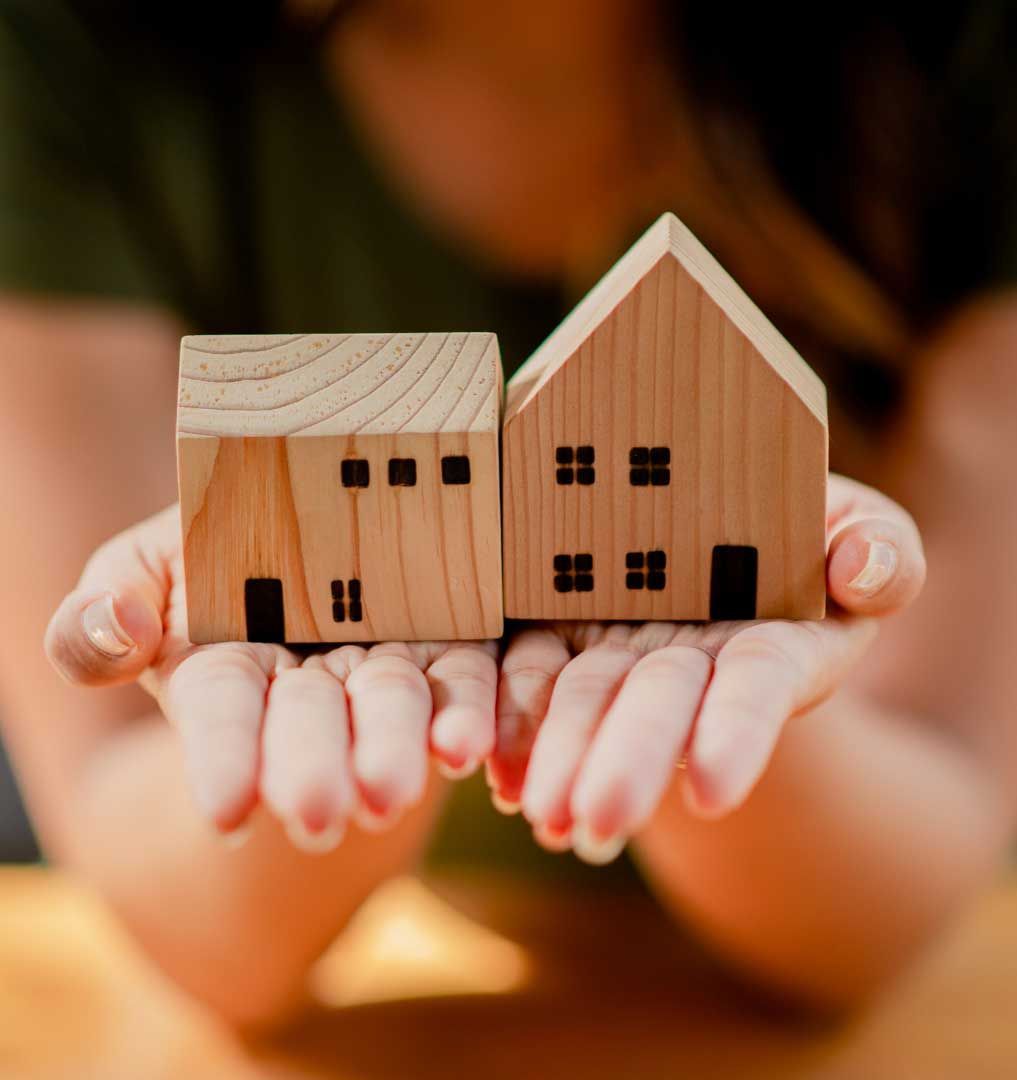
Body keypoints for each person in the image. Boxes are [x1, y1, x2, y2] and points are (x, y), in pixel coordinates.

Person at [2, 0, 1016, 1028]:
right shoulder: (70, 43)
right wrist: (345, 711)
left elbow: (909, 881)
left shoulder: (964, 56)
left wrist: (722, 689)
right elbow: (158, 876)